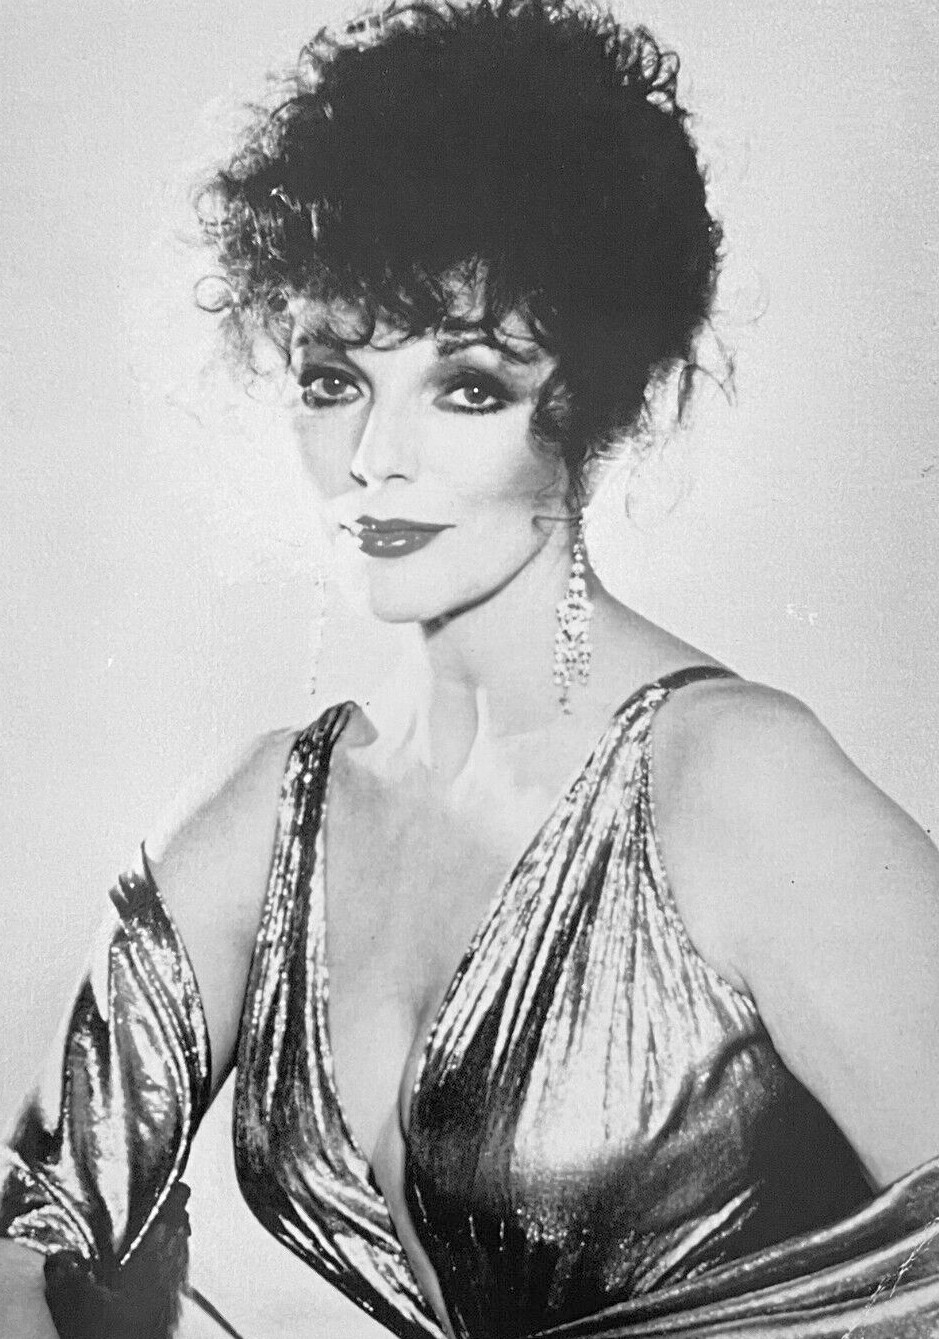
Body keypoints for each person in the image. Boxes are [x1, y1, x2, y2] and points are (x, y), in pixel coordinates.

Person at [2, 0, 938, 1335]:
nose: (376, 458)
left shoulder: (734, 783)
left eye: (469, 387)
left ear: (601, 397)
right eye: (334, 379)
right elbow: (35, 1233)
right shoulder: (266, 816)